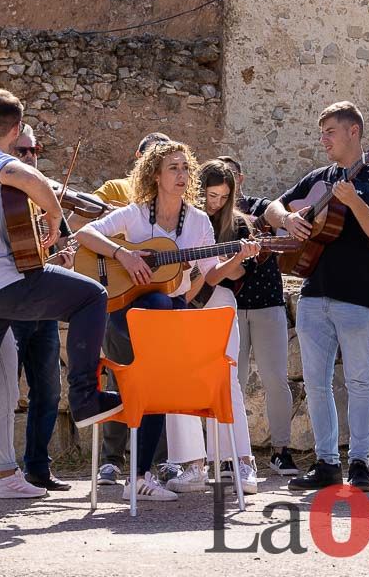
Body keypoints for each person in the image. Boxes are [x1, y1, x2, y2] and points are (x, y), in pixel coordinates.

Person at [0, 89, 125, 517]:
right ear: (16, 128)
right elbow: (29, 178)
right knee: (91, 295)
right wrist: (55, 218)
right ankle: (85, 396)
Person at [75, 142, 258, 502]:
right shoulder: (135, 214)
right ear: (155, 175)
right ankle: (141, 470)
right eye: (173, 168)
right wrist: (124, 255)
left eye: (185, 168)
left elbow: (212, 274)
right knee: (160, 308)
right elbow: (85, 234)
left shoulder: (199, 221)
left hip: (167, 314)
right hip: (127, 310)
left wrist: (240, 257)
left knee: (156, 374)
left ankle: (139, 475)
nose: (181, 174)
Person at [264, 101, 369, 492]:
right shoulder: (318, 178)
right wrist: (288, 218)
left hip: (358, 296)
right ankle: (326, 463)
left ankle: (360, 465)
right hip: (313, 293)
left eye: (330, 132)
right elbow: (274, 207)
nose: (323, 140)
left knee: (358, 381)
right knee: (315, 383)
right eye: (322, 133)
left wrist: (355, 201)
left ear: (353, 132)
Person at [163, 160, 261, 495]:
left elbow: (226, 274)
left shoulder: (235, 225)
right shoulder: (177, 216)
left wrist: (236, 258)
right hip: (179, 302)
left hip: (217, 301)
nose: (216, 203)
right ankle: (193, 466)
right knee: (179, 379)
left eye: (223, 197)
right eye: (211, 195)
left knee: (226, 378)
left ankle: (241, 461)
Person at [90, 131, 169, 486]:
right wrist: (113, 230)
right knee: (118, 376)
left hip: (156, 300)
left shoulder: (172, 203)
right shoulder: (114, 189)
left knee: (159, 379)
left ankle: (157, 461)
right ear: (139, 158)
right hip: (119, 296)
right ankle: (111, 459)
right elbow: (82, 225)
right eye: (151, 157)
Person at [216, 155, 297, 477]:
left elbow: (279, 221)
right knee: (230, 382)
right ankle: (228, 455)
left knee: (276, 379)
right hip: (229, 307)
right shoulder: (208, 217)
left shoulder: (260, 207)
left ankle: (281, 451)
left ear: (240, 178)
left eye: (232, 175)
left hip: (267, 303)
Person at [8, 125, 75, 492]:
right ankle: (2, 471)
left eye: (33, 150)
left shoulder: (44, 197)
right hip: (12, 306)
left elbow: (61, 243)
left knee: (48, 390)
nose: (29, 156)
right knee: (4, 392)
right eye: (21, 150)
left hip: (43, 307)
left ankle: (37, 467)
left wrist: (63, 257)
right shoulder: (0, 199)